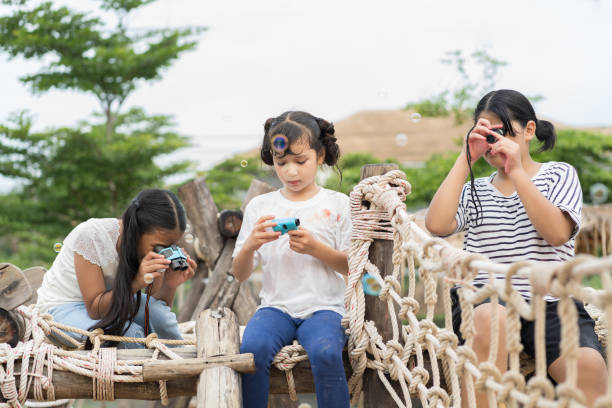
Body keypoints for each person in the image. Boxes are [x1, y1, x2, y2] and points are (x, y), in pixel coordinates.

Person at [425, 89, 607, 407]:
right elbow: (436, 226)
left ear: (529, 131)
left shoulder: (559, 174)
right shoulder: (474, 189)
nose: (495, 143)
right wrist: (466, 156)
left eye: (504, 132)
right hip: (484, 298)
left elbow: (556, 233)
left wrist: (518, 173)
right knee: (491, 319)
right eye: (487, 133)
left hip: (550, 301)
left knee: (589, 369)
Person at [233, 111, 351, 408]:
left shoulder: (339, 204)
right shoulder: (261, 206)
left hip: (326, 308)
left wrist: (316, 248)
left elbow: (353, 266)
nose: (290, 172)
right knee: (252, 350)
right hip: (275, 307)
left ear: (320, 155)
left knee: (326, 352)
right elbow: (240, 272)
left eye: (300, 161)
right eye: (281, 162)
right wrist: (250, 245)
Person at [36, 188, 196, 348]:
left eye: (173, 245)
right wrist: (135, 283)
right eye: (160, 245)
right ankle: (150, 370)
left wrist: (170, 284)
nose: (165, 251)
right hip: (64, 307)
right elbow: (95, 309)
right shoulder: (91, 236)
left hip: (116, 300)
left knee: (161, 317)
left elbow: (155, 309)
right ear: (136, 231)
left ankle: (179, 361)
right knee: (129, 335)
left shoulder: (155, 248)